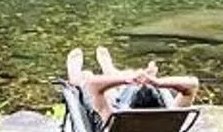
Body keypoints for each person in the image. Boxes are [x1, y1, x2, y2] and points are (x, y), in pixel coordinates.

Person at [66, 47, 198, 118]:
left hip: (118, 130)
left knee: (89, 79)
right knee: (111, 89)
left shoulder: (115, 117)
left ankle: (76, 77)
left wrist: (127, 80)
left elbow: (93, 83)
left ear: (129, 104)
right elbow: (193, 84)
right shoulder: (169, 120)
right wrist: (158, 83)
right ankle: (111, 71)